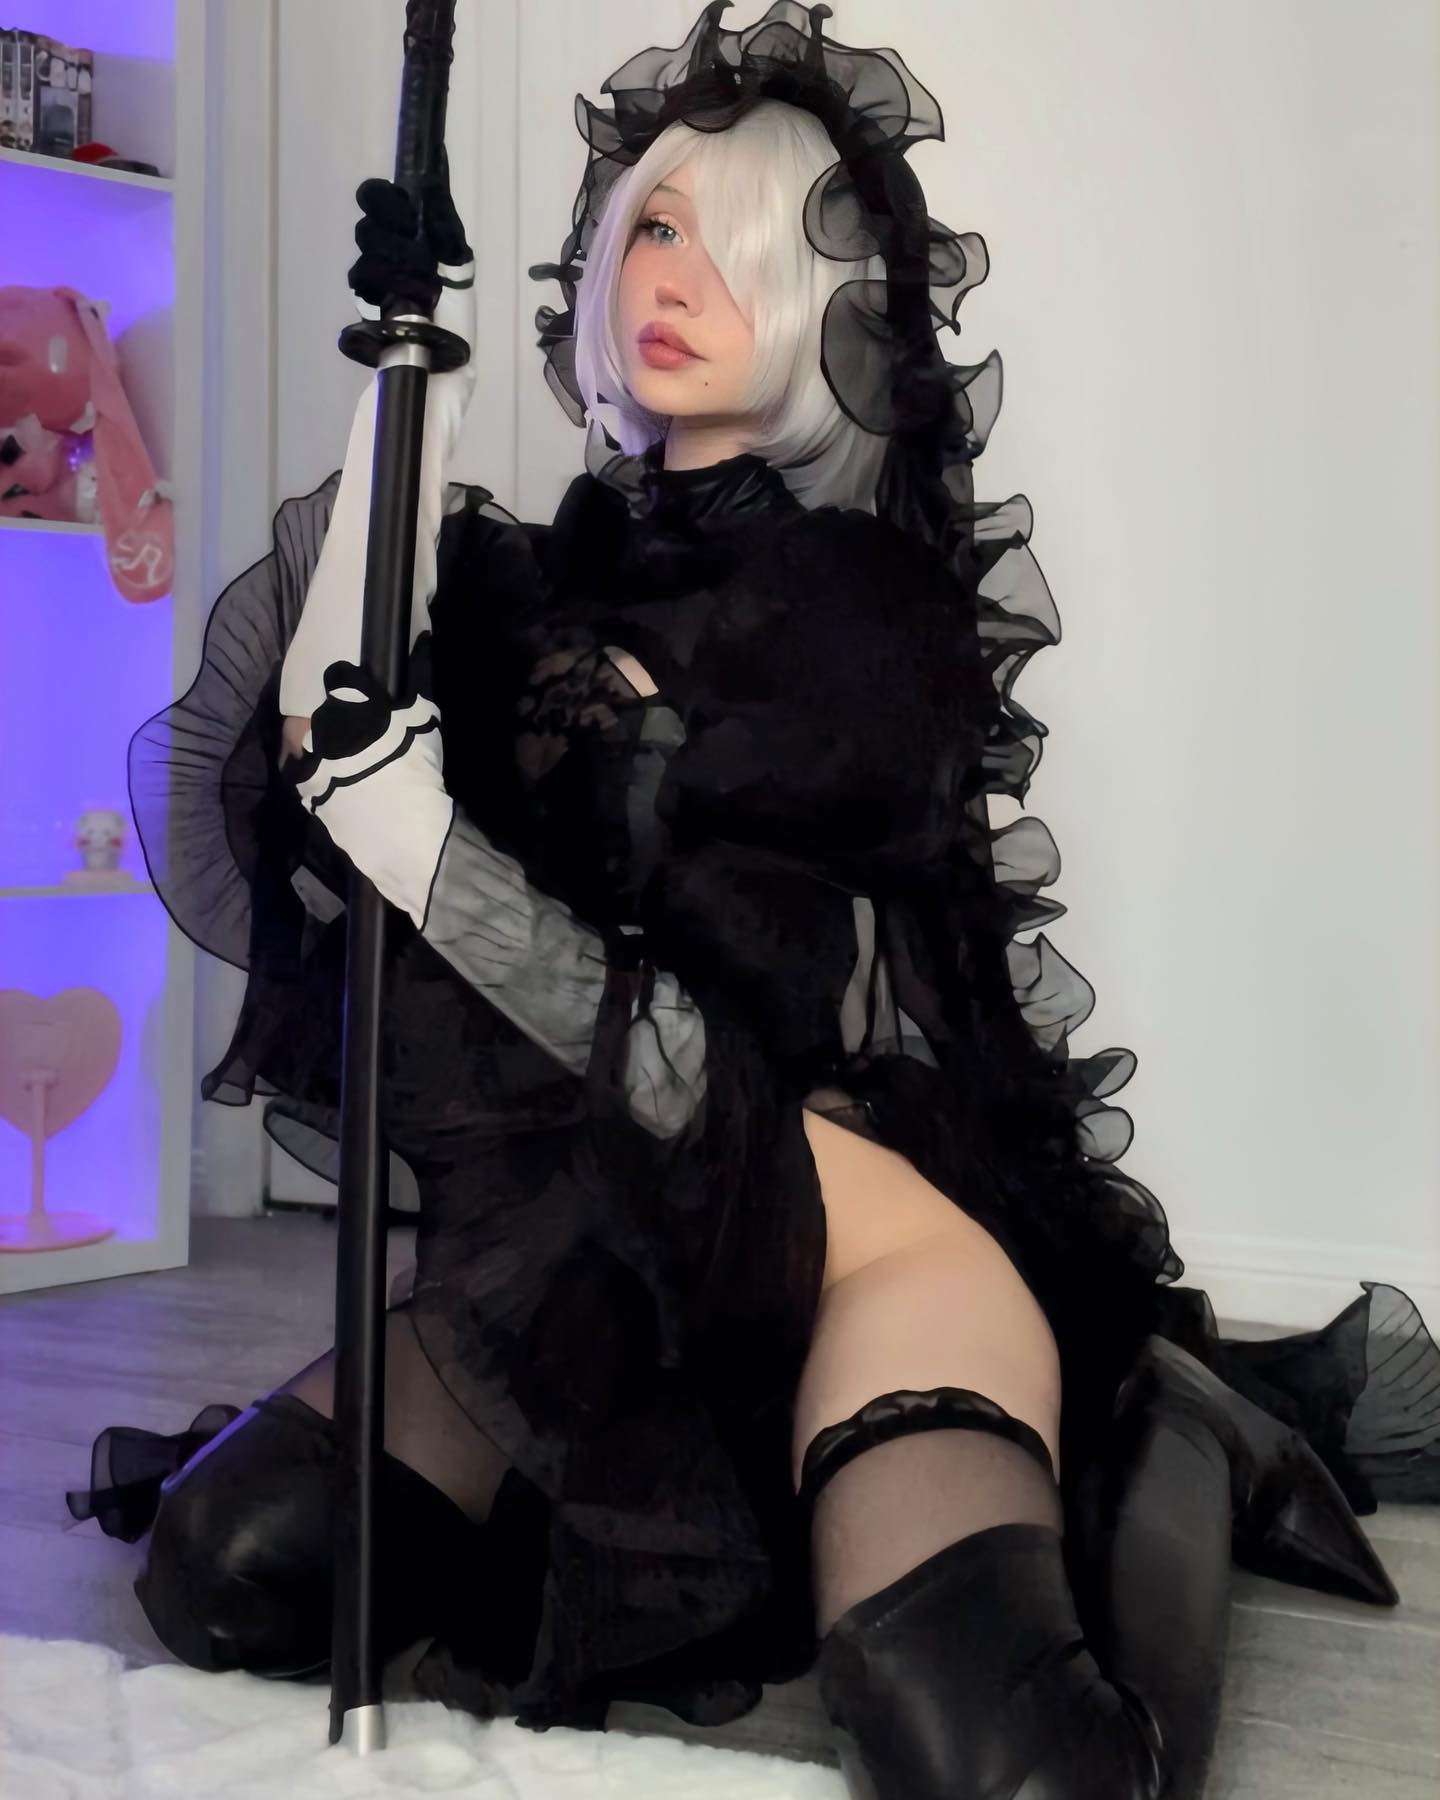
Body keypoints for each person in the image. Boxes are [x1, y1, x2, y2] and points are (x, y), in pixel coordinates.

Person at [66, 5, 1439, 1795]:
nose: (677, 272)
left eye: (746, 241)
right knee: (227, 1567)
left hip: (838, 1232)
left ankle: (1169, 1429)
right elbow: (328, 742)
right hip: (600, 1249)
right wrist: (415, 375)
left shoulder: (864, 618)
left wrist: (434, 859)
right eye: (653, 221)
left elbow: (681, 1054)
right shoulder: (539, 579)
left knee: (1002, 1755)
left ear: (826, 303)